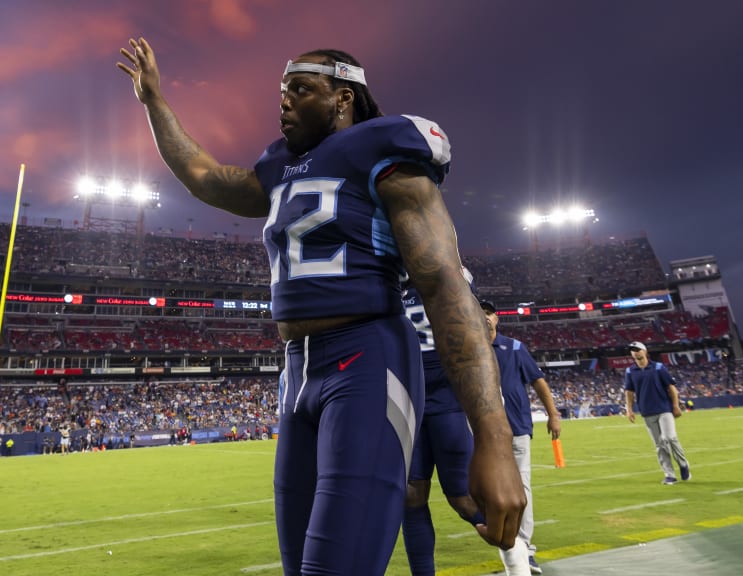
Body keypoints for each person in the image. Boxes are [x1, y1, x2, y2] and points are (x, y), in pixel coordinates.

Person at [118, 37, 524, 575]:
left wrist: (492, 439)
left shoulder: (384, 153)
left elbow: (447, 289)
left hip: (367, 358)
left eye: (300, 89)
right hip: (297, 372)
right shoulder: (282, 166)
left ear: (343, 98)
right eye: (282, 91)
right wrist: (155, 103)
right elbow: (205, 178)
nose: (283, 102)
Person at [401, 284, 501, 576]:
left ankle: (516, 550)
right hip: (406, 391)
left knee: (462, 498)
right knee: (411, 496)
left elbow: (478, 327)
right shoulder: (386, 276)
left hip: (446, 392)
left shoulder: (446, 271)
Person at [483, 300, 562, 575]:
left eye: (488, 313)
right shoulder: (469, 347)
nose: (484, 317)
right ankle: (509, 549)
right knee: (491, 494)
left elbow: (538, 381)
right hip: (483, 434)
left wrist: (553, 414)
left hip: (515, 429)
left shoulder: (515, 348)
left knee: (522, 487)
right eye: (478, 312)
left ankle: (525, 550)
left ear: (497, 318)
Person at [623, 342, 691, 485]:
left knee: (669, 437)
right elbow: (629, 391)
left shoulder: (659, 368)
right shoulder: (630, 371)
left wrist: (675, 405)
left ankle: (683, 464)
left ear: (645, 351)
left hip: (664, 409)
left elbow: (671, 387)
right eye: (632, 351)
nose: (635, 352)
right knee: (659, 444)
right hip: (647, 412)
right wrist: (629, 409)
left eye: (637, 349)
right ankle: (669, 474)